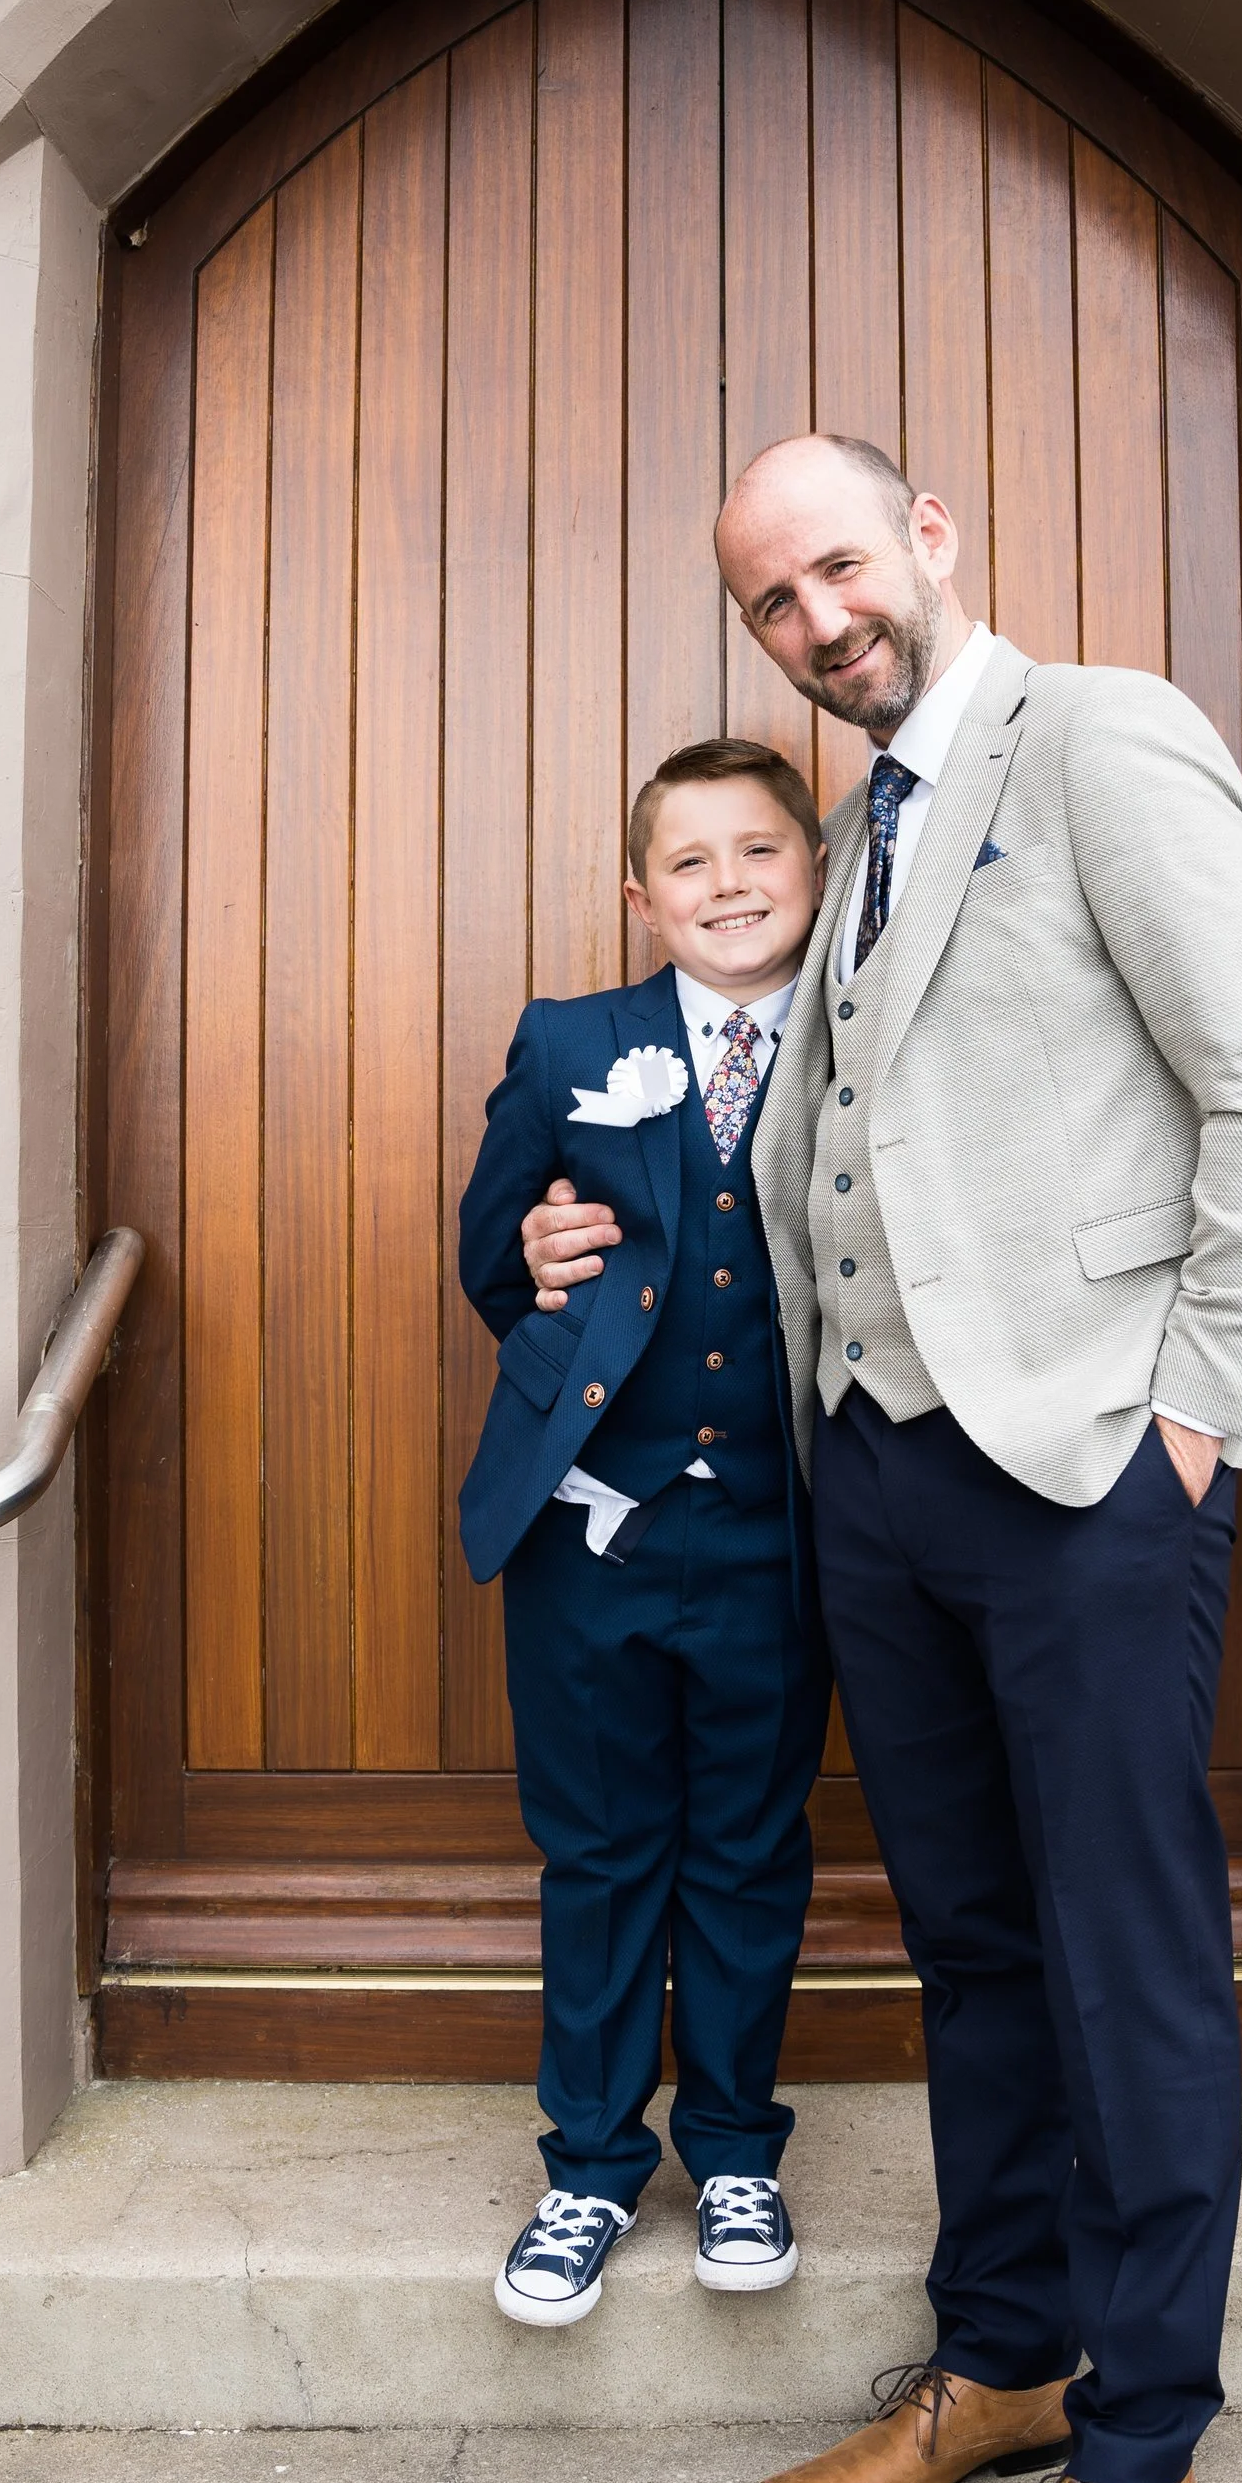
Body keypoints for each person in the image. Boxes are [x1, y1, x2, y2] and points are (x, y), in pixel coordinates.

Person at [518, 437, 1242, 2483]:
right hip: (876, 1480)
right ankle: (1002, 2359)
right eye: (771, 605)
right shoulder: (858, 833)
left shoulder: (1099, 736)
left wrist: (1195, 1416)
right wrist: (564, 1240)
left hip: (1090, 1468)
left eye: (838, 569)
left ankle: (1138, 2447)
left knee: (1124, 1955)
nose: (815, 621)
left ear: (934, 542)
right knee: (974, 1947)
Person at [457, 738, 836, 2331]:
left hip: (787, 1531)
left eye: (760, 850)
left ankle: (736, 2146)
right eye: (691, 861)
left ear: (815, 872)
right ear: (642, 896)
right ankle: (593, 2169)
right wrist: (550, 1258)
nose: (729, 883)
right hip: (591, 1533)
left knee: (749, 1844)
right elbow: (491, 1261)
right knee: (603, 1847)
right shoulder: (572, 1040)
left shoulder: (866, 1029)